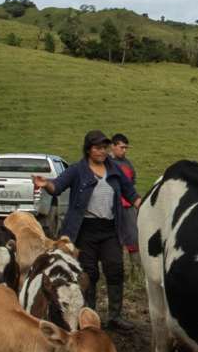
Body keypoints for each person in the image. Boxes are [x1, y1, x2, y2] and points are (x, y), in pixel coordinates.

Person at [33, 129, 141, 331]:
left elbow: (132, 194)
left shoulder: (115, 170)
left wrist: (145, 207)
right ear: (88, 149)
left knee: (115, 269)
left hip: (110, 229)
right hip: (85, 230)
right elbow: (57, 187)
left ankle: (115, 316)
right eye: (98, 148)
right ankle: (89, 315)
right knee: (89, 273)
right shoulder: (77, 170)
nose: (102, 151)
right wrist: (45, 184)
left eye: (104, 148)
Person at [110, 133, 139, 261]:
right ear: (113, 146)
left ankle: (135, 267)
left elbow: (132, 183)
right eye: (122, 147)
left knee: (133, 236)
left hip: (128, 206)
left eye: (126, 148)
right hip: (111, 206)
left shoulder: (128, 164)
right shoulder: (105, 163)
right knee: (112, 237)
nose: (124, 150)